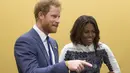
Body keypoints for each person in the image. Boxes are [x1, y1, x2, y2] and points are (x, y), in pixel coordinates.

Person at [14, 0, 93, 73]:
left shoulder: (53, 43)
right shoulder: (25, 42)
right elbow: (30, 71)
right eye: (54, 16)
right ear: (41, 15)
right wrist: (65, 65)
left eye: (59, 17)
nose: (58, 21)